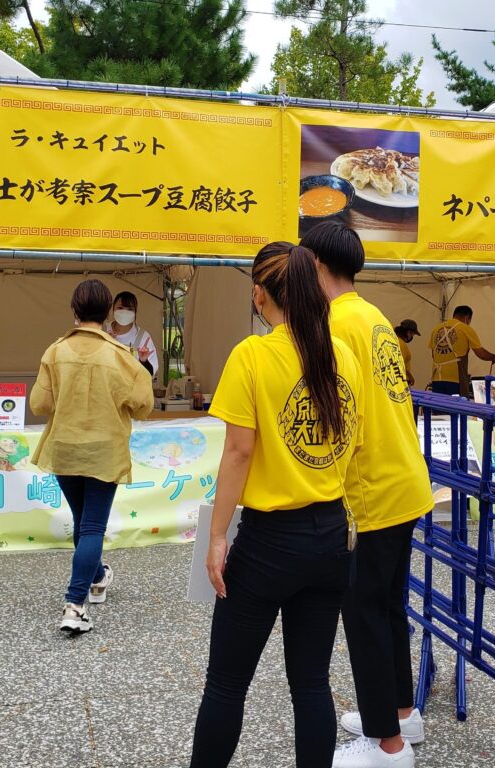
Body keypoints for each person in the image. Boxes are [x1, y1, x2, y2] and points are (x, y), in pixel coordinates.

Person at [189, 243, 364, 768]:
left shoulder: (254, 355)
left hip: (268, 543)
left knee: (225, 685)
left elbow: (239, 452)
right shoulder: (344, 356)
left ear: (259, 293)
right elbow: (354, 447)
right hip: (332, 536)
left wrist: (218, 536)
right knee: (311, 683)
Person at [302, 221, 434, 768]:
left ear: (313, 267)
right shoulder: (373, 315)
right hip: (404, 478)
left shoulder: (332, 324)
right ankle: (401, 712)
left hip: (371, 491)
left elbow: (335, 414)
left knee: (363, 613)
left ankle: (386, 744)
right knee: (387, 607)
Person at [29, 279, 154, 634]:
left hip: (64, 449)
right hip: (104, 452)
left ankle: (97, 576)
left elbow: (39, 404)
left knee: (84, 523)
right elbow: (143, 407)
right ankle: (75, 603)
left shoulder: (54, 352)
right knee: (93, 526)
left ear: (74, 310)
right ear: (108, 313)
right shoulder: (121, 356)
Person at [427, 306, 495, 397]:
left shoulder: (436, 329)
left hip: (436, 378)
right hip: (456, 379)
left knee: (439, 408)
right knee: (456, 409)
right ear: (467, 318)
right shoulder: (465, 329)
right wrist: (493, 357)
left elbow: (433, 354)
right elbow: (481, 354)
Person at [105, 290, 159, 377]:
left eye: (130, 309)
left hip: (132, 389)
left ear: (135, 312)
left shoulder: (143, 337)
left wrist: (144, 361)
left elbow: (151, 374)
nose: (124, 312)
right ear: (113, 308)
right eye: (120, 308)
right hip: (106, 388)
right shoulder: (103, 331)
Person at [394, 319, 420, 387]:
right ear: (409, 332)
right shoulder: (401, 344)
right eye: (412, 334)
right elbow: (399, 364)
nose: (412, 337)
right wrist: (409, 376)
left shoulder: (394, 339)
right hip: (400, 380)